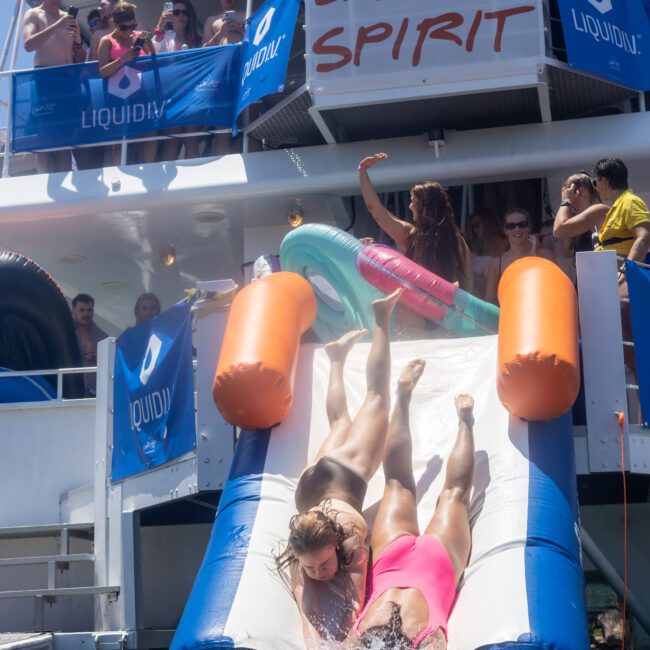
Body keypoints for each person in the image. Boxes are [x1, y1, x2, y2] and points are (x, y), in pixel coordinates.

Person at [275, 290, 401, 645]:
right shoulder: (301, 552)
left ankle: (380, 317)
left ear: (335, 545)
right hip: (310, 488)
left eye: (323, 564)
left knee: (378, 398)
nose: (318, 572)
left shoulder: (350, 539)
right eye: (312, 567)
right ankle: (334, 359)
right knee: (339, 423)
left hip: (343, 472)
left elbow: (357, 602)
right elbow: (307, 620)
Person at [350, 387, 476, 650]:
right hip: (391, 560)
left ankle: (466, 420)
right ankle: (403, 396)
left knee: (455, 493)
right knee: (397, 481)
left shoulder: (428, 641)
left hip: (435, 568)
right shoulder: (360, 637)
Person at [554, 160, 650, 376]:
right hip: (607, 289)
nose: (597, 186)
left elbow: (644, 237)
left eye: (598, 181)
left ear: (605, 181)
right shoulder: (617, 207)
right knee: (626, 364)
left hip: (622, 290)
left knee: (637, 361)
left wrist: (627, 274)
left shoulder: (630, 202)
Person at [23, 0, 87, 173]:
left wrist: (78, 40)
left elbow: (81, 56)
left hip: (68, 79)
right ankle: (41, 179)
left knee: (66, 134)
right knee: (45, 132)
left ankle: (64, 176)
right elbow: (28, 45)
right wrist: (57, 25)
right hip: (46, 78)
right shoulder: (34, 14)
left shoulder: (67, 18)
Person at [97, 2, 156, 164]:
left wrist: (149, 44)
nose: (130, 30)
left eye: (133, 26)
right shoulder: (106, 41)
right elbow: (102, 71)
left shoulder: (139, 37)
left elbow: (154, 62)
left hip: (142, 94)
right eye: (124, 28)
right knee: (120, 139)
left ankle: (149, 171)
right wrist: (123, 59)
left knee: (148, 134)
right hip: (117, 97)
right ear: (114, 23)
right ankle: (119, 174)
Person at [153, 0, 204, 161]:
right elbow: (153, 50)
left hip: (193, 92)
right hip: (171, 93)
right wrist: (160, 24)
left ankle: (194, 178)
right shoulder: (165, 37)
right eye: (176, 12)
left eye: (185, 12)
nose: (181, 15)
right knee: (172, 140)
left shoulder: (197, 39)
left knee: (192, 138)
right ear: (170, 17)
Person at [202, 0, 246, 155]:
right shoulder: (212, 20)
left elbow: (262, 42)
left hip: (245, 70)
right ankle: (222, 166)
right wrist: (219, 34)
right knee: (223, 125)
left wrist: (244, 32)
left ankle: (256, 163)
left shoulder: (250, 14)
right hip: (223, 73)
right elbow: (203, 52)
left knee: (251, 121)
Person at [484, 208, 554, 305]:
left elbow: (554, 288)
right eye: (511, 226)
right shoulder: (497, 263)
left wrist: (534, 253)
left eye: (522, 225)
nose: (517, 229)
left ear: (529, 227)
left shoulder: (546, 255)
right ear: (505, 231)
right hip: (511, 316)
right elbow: (490, 299)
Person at [72, 294, 108, 397]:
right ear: (74, 311)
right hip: (70, 390)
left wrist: (97, 355)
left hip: (97, 393)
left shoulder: (103, 337)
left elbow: (110, 366)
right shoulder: (66, 334)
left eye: (89, 310)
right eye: (82, 310)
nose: (86, 314)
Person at [467, 208, 508, 299]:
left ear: (489, 224)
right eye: (472, 227)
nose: (475, 230)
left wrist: (467, 272)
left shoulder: (508, 244)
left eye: (477, 225)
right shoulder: (472, 252)